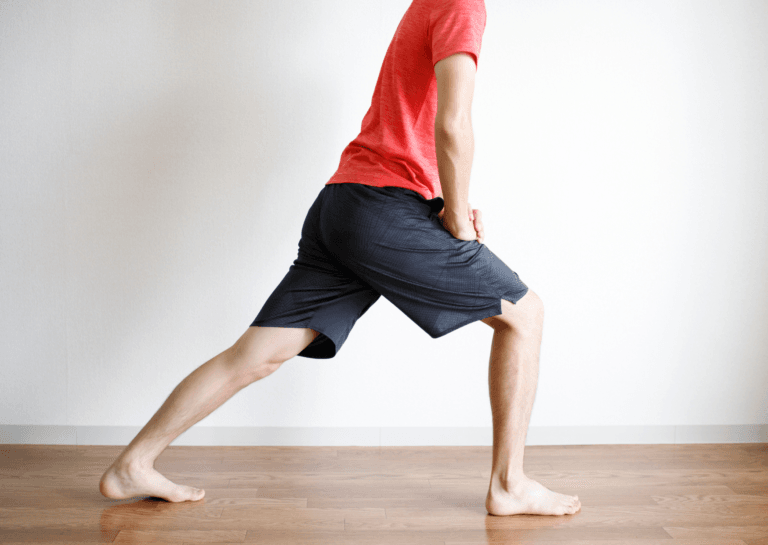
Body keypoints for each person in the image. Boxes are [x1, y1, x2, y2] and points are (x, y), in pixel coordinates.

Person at [99, 0, 581, 516]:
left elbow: (415, 125)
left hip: (344, 202)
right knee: (525, 316)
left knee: (255, 356)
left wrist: (446, 202)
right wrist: (458, 220)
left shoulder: (430, 4)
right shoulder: (463, 4)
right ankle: (510, 484)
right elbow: (452, 123)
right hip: (381, 210)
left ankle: (134, 464)